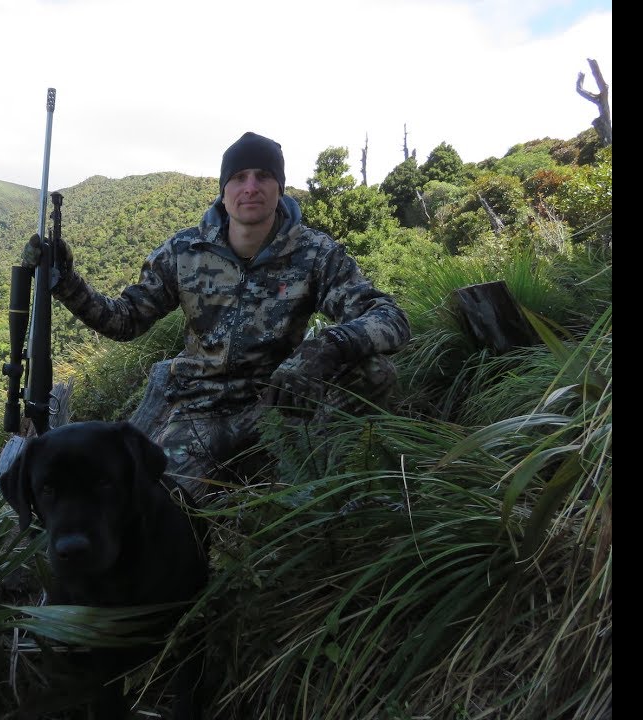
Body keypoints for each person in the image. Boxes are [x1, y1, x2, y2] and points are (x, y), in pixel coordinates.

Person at [22, 132, 410, 501]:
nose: (251, 187)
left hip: (278, 404)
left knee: (374, 372)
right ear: (224, 192)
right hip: (199, 408)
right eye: (239, 177)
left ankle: (324, 488)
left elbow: (389, 317)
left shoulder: (314, 253)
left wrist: (325, 349)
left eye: (263, 176)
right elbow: (125, 320)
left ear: (279, 187)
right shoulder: (184, 251)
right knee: (162, 507)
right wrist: (67, 282)